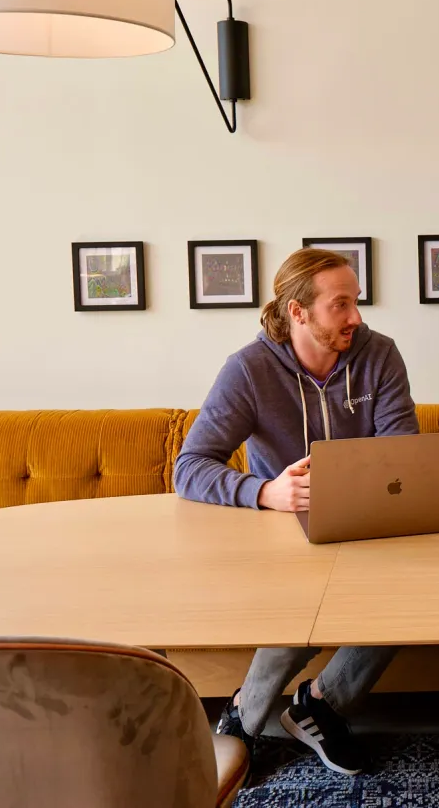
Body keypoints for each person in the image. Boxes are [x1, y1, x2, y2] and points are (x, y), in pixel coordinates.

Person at [175, 247, 418, 776]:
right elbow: (189, 467)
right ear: (298, 311)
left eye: (356, 302)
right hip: (286, 535)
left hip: (371, 530)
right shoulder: (249, 369)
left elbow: (403, 453)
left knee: (414, 594)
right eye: (341, 304)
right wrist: (266, 491)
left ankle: (320, 705)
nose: (356, 317)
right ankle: (244, 715)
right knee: (300, 604)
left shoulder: (379, 355)